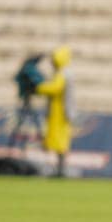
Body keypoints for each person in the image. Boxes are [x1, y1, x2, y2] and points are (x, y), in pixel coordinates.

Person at [35, 45, 75, 178]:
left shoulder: (63, 74)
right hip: (58, 112)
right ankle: (59, 168)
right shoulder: (63, 73)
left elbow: (55, 88)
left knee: (60, 142)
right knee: (58, 141)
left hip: (60, 113)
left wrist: (39, 88)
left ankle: (60, 169)